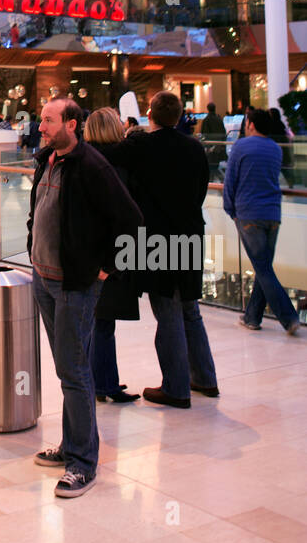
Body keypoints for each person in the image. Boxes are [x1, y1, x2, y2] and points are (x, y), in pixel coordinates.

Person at [27, 98, 142, 498]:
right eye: (41, 120)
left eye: (48, 120)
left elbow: (131, 222)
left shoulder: (94, 167)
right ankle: (72, 444)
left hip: (75, 284)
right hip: (45, 279)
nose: (40, 127)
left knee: (74, 372)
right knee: (67, 368)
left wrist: (108, 267)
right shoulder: (49, 160)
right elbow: (38, 211)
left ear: (72, 125)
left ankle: (83, 462)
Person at [110, 90, 219, 407]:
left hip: (158, 238)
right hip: (189, 235)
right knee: (189, 307)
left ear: (150, 114)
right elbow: (200, 190)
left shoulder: (142, 145)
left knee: (167, 309)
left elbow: (111, 156)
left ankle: (176, 387)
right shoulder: (194, 148)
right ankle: (205, 378)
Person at [224, 107, 299, 335]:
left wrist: (230, 209)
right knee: (263, 265)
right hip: (272, 214)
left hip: (249, 213)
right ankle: (252, 316)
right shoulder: (275, 149)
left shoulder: (241, 146)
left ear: (251, 125)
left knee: (263, 268)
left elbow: (230, 181)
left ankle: (289, 318)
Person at [83, 108, 141, 404]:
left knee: (97, 321)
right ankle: (103, 384)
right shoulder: (118, 165)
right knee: (103, 322)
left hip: (89, 254)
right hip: (109, 255)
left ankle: (102, 381)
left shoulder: (83, 161)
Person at [199, 101, 227, 178]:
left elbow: (204, 134)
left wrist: (206, 146)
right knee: (215, 163)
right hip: (218, 145)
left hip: (211, 146)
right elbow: (223, 132)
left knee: (211, 164)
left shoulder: (206, 120)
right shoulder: (219, 119)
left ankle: (213, 179)